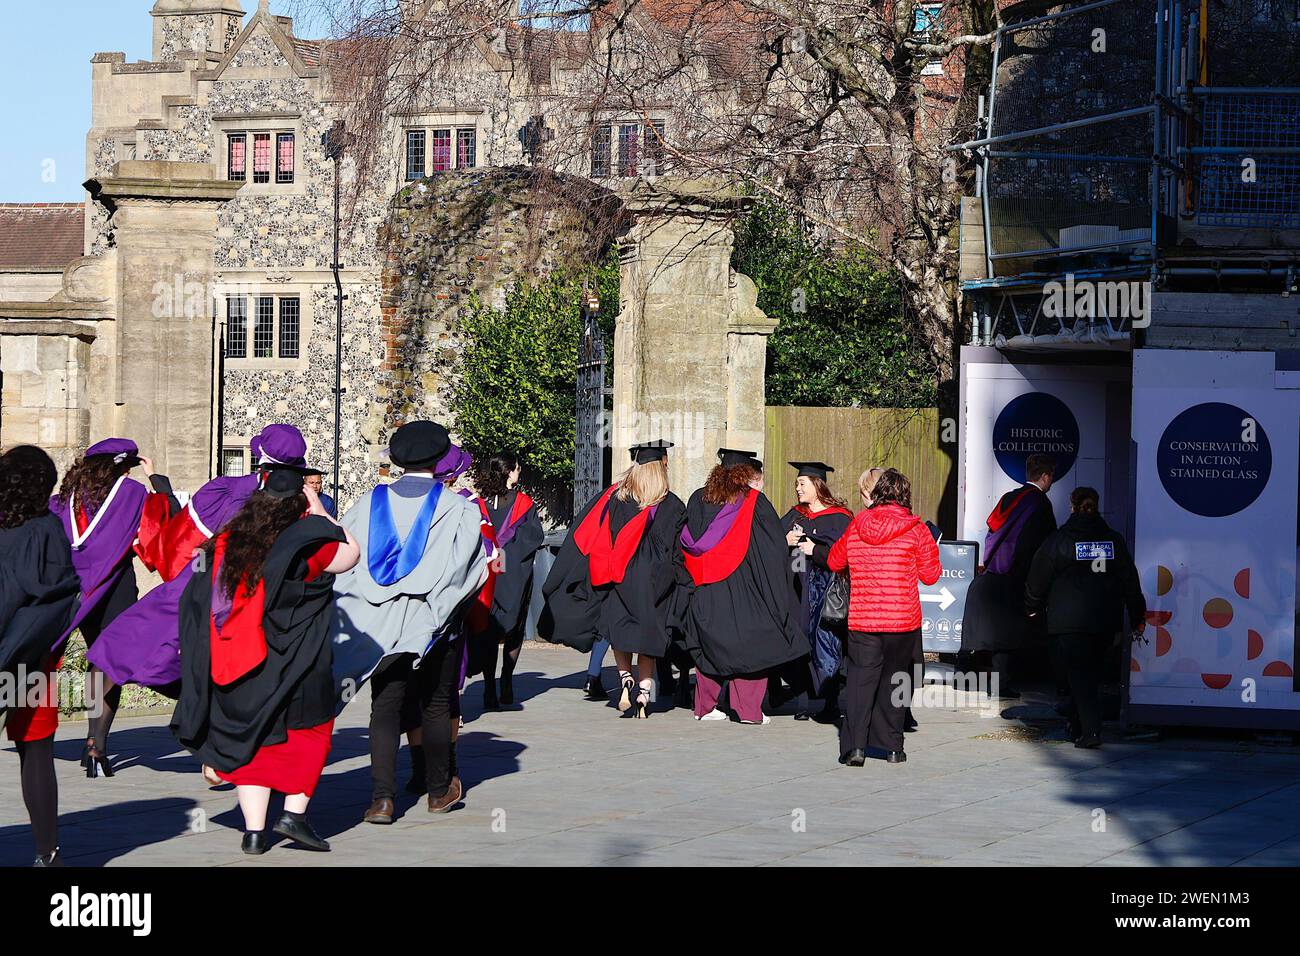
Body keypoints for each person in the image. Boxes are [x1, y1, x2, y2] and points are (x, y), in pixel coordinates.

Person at [86, 423, 319, 744]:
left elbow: (186, 540)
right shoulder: (304, 507)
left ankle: (95, 745)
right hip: (253, 601)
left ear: (259, 455)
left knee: (113, 650)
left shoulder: (224, 489)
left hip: (197, 587)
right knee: (198, 665)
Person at [172, 467, 359, 854]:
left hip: (241, 662)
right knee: (311, 733)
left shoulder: (226, 542)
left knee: (255, 743)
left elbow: (196, 595)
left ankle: (254, 833)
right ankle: (293, 814)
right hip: (300, 662)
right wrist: (318, 508)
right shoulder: (309, 539)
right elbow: (351, 554)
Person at [331, 421, 489, 825]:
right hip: (433, 624)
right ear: (439, 459)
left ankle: (381, 800)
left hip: (379, 628)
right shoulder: (459, 509)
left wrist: (366, 609)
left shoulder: (367, 505)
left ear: (398, 460)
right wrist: (439, 613)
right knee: (436, 704)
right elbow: (466, 573)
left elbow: (343, 561)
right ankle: (438, 792)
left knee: (384, 708)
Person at [542, 440, 686, 719]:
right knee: (647, 637)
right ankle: (644, 692)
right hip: (655, 581)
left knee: (620, 633)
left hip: (620, 575)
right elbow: (676, 549)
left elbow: (603, 535)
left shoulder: (619, 499)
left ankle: (625, 681)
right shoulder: (673, 505)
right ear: (662, 466)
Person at [46, 438, 151, 778]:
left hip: (70, 589)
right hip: (115, 589)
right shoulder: (133, 494)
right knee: (107, 663)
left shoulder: (61, 502)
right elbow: (157, 531)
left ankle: (41, 737)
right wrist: (157, 479)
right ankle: (96, 746)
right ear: (122, 467)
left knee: (49, 655)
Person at [679, 449, 806, 726]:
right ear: (746, 475)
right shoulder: (754, 502)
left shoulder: (698, 498)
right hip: (743, 587)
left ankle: (705, 706)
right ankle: (748, 711)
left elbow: (688, 541)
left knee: (709, 644)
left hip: (704, 586)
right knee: (751, 644)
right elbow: (772, 549)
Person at [0, 446, 81, 866]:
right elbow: (61, 595)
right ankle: (47, 853)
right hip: (32, 659)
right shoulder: (50, 529)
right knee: (36, 753)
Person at [827, 468, 940, 766]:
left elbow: (834, 560)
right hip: (902, 620)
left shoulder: (856, 525)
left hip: (863, 620)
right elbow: (930, 576)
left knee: (860, 683)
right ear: (905, 495)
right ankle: (892, 747)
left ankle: (855, 747)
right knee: (896, 681)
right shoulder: (916, 528)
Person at [1024, 486, 1145, 748]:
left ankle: (1090, 730)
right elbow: (1129, 580)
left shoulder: (1059, 540)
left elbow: (1038, 575)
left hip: (1066, 622)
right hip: (1104, 622)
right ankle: (1077, 723)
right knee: (1088, 675)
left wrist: (1032, 605)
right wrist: (1137, 616)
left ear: (1072, 506)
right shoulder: (1113, 541)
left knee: (1078, 676)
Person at [959, 452, 1058, 698]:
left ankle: (992, 681)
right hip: (1017, 575)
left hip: (994, 572)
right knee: (1010, 634)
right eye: (1051, 476)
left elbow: (992, 529)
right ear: (1045, 477)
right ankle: (1005, 682)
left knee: (996, 633)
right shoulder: (1040, 504)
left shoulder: (1009, 498)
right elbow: (1043, 546)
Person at [778, 461, 853, 722]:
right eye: (797, 483)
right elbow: (772, 538)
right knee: (797, 642)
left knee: (826, 645)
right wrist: (783, 540)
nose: (797, 488)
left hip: (825, 592)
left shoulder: (839, 517)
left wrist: (815, 550)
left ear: (817, 485)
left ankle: (830, 701)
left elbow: (843, 554)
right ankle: (802, 700)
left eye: (802, 483)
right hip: (796, 591)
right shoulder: (795, 515)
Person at [474, 452, 545, 709]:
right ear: (508, 472)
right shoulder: (524, 504)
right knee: (514, 628)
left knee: (489, 630)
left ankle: (489, 688)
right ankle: (506, 680)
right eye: (516, 467)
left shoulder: (479, 505)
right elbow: (533, 538)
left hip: (488, 571)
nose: (519, 471)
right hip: (514, 573)